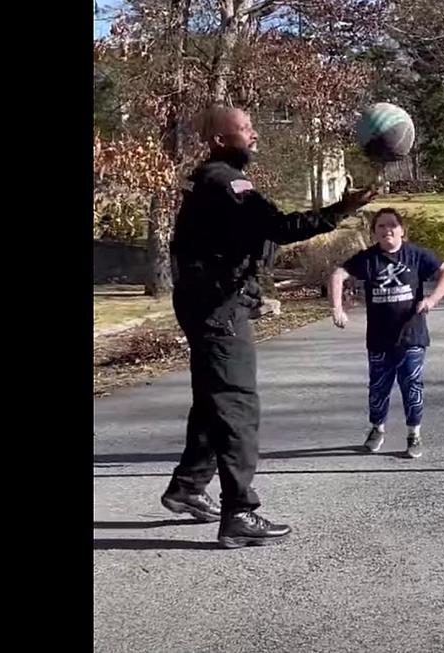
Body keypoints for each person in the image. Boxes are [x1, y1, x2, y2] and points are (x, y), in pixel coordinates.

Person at [161, 105, 378, 548]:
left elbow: (243, 239)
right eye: (245, 128)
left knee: (213, 399)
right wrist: (342, 209)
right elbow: (279, 227)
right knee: (238, 405)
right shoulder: (226, 182)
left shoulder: (214, 181)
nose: (254, 133)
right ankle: (239, 511)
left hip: (208, 303)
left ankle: (188, 486)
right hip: (217, 310)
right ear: (221, 139)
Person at [328, 208, 444, 458]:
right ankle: (377, 429)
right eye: (381, 227)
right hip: (379, 338)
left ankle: (414, 434)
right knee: (378, 388)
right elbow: (337, 274)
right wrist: (337, 308)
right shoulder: (368, 259)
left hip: (411, 336)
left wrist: (431, 299)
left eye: (392, 226)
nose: (387, 231)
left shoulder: (416, 255)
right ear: (374, 233)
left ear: (402, 230)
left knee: (412, 385)